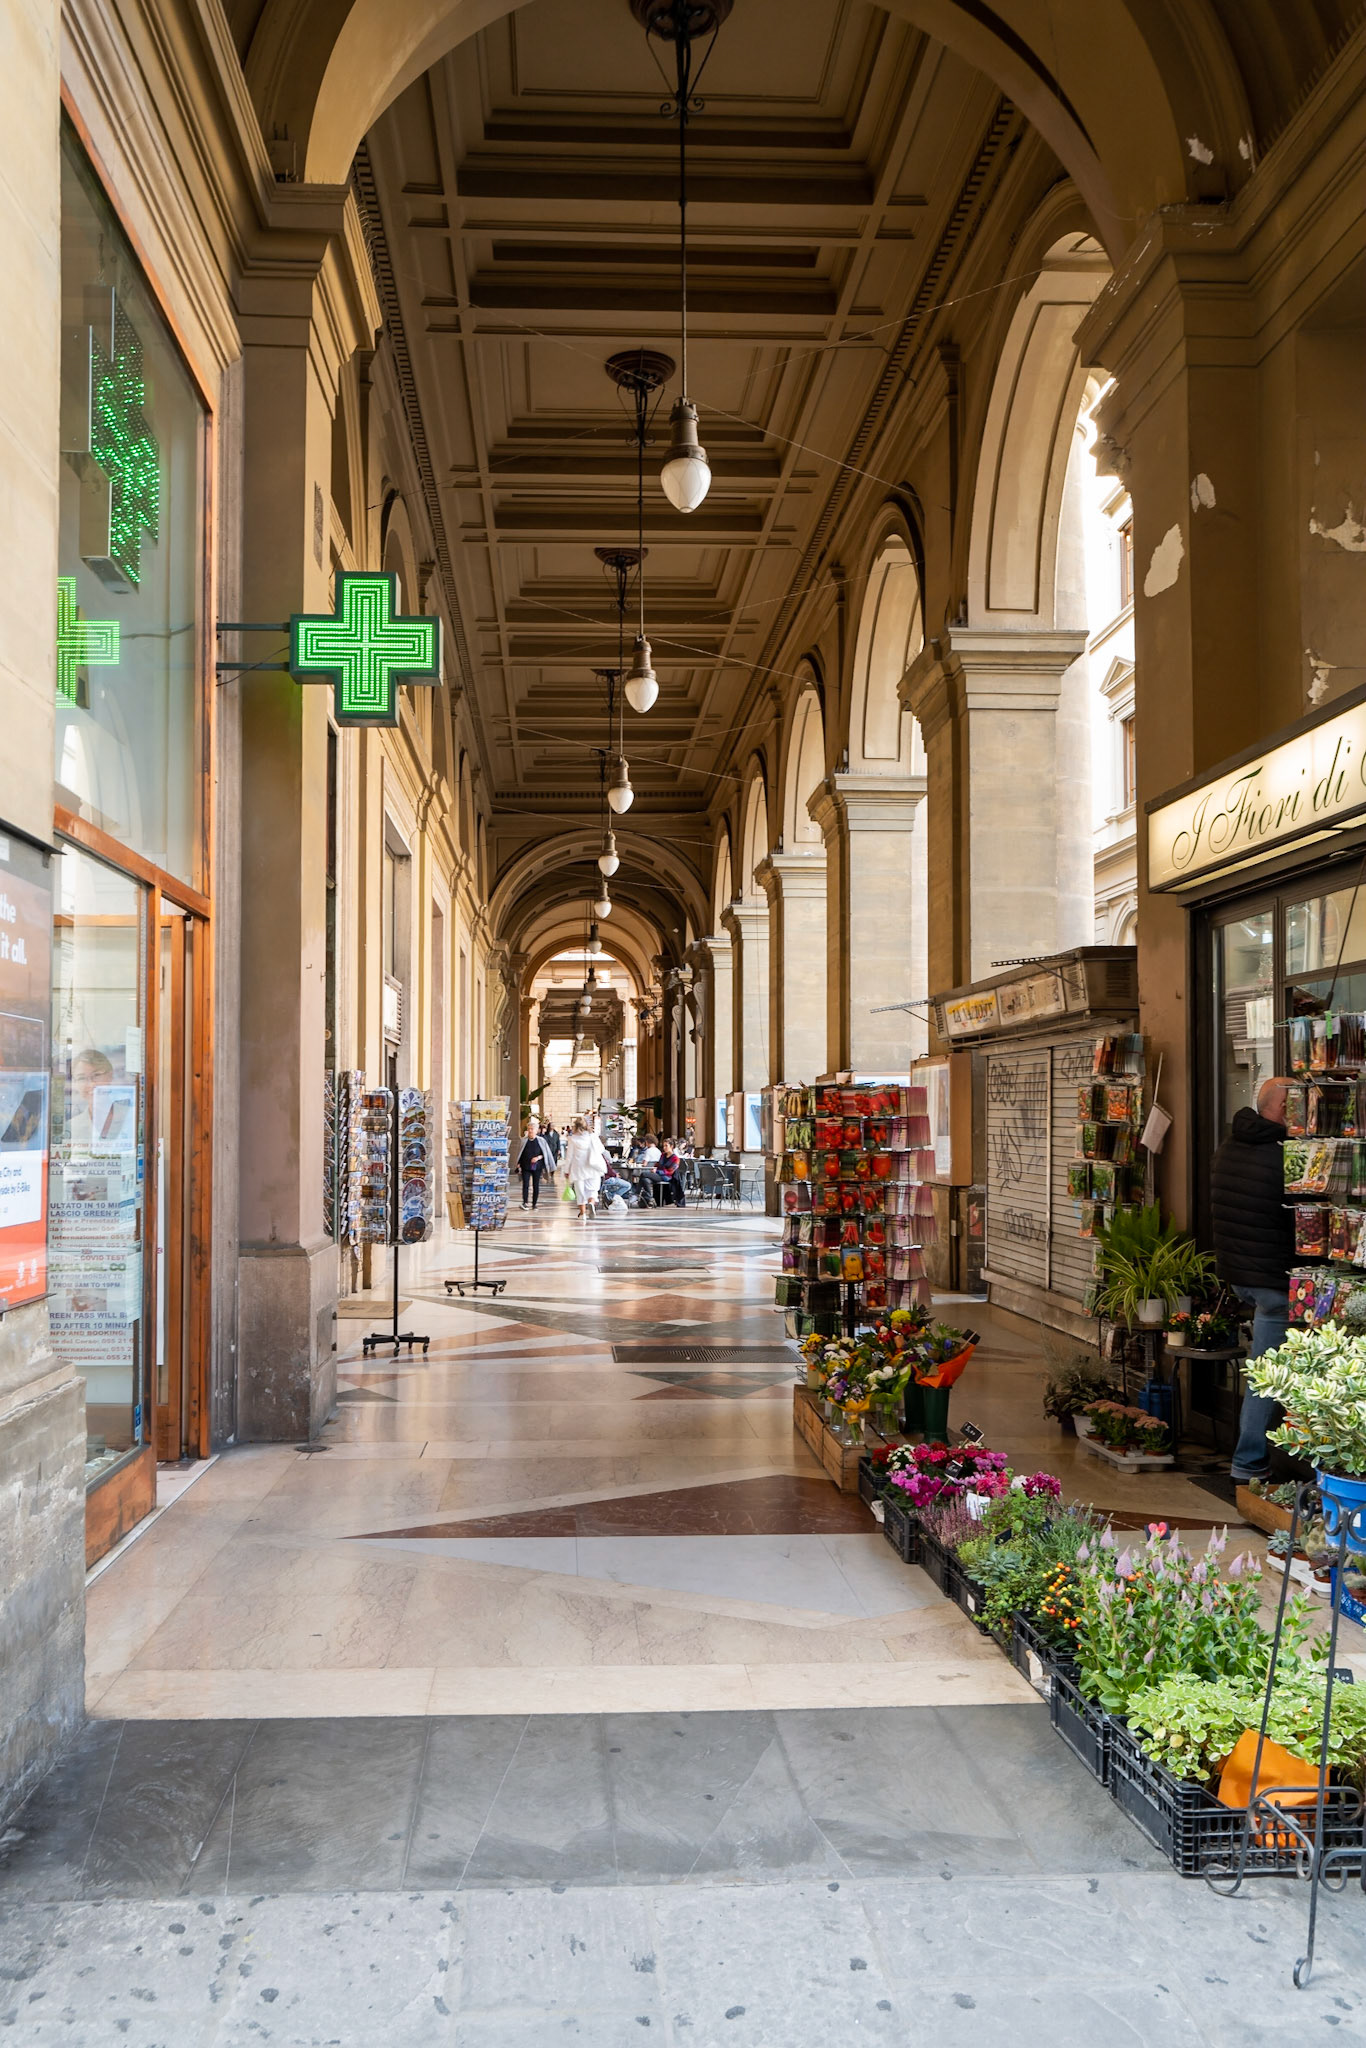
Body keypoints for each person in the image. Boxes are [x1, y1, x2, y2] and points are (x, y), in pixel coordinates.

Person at [1210, 1073, 1297, 1483]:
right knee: (1268, 1374)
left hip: (1242, 1274)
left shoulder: (1233, 1144)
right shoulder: (1282, 1155)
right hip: (1274, 1283)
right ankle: (1249, 1462)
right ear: (1283, 1110)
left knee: (1269, 1368)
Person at [563, 1117, 609, 1222]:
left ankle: (583, 1214)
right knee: (592, 1189)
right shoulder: (593, 1137)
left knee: (580, 1191)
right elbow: (602, 1149)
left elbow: (569, 1156)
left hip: (578, 1168)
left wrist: (566, 1170)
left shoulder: (573, 1139)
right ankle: (591, 1203)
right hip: (593, 1167)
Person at [517, 1123, 555, 1210]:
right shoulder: (523, 1140)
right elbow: (520, 1153)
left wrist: (538, 1158)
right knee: (525, 1184)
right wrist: (518, 1162)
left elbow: (545, 1153)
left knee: (536, 1185)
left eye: (532, 1129)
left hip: (537, 1167)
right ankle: (525, 1202)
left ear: (536, 1130)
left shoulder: (541, 1140)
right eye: (529, 1129)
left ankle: (534, 1204)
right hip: (525, 1166)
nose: (530, 1131)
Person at [651, 1138, 686, 1209]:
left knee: (644, 1175)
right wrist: (655, 1167)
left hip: (668, 1177)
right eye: (663, 1146)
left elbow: (670, 1171)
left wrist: (657, 1171)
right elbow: (658, 1165)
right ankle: (649, 1198)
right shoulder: (663, 1155)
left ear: (671, 1146)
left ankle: (645, 1197)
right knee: (645, 1179)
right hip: (659, 1175)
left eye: (666, 1146)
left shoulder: (675, 1158)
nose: (664, 1148)